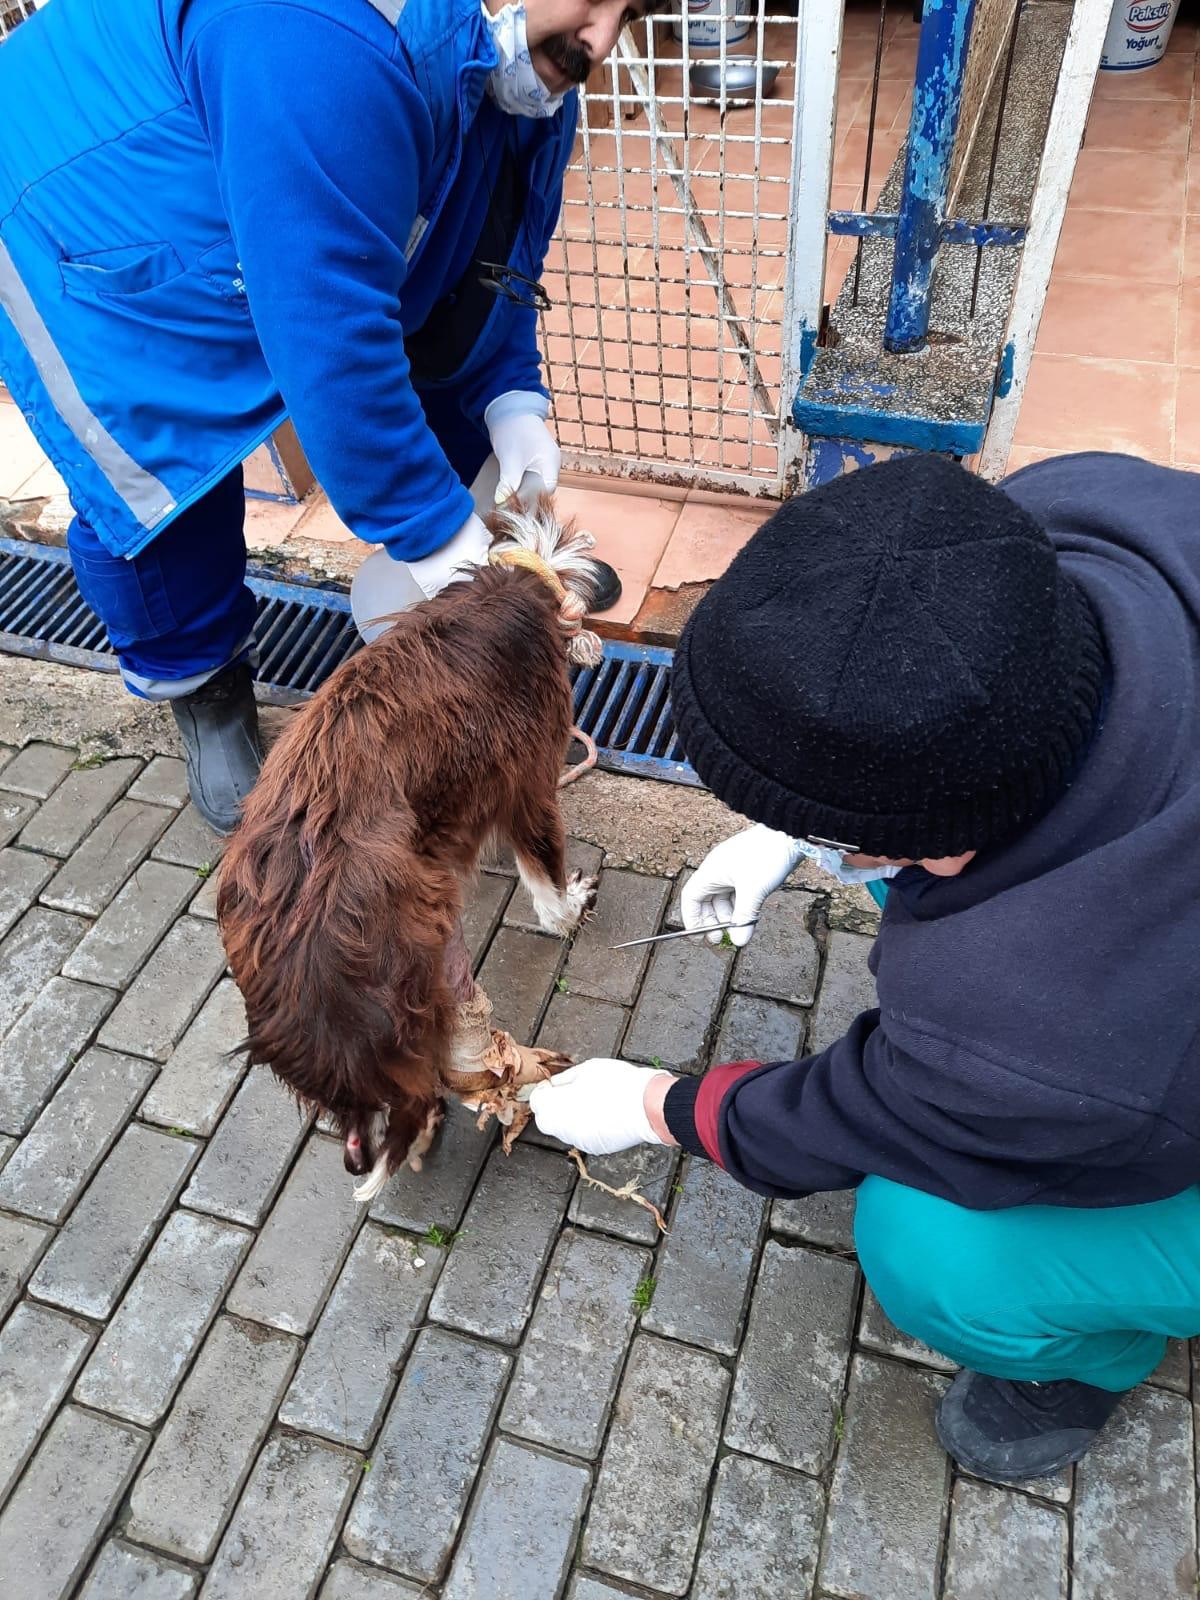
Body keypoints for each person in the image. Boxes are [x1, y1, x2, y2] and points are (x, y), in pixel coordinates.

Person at [531, 450, 1200, 1483]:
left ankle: (1082, 1359)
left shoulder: (1028, 1023)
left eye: (846, 833)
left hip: (1143, 1070)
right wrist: (785, 833)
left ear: (929, 830)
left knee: (930, 1249)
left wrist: (654, 1104)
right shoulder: (1070, 516)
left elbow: (861, 1113)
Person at [0, 0, 655, 831]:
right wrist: (446, 548)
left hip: (266, 172)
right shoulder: (307, 30)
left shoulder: (519, 69)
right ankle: (202, 683)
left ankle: (453, 670)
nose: (599, 37)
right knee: (154, 474)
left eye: (631, 12)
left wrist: (511, 392)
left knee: (444, 405)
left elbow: (489, 264)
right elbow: (333, 342)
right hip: (77, 207)